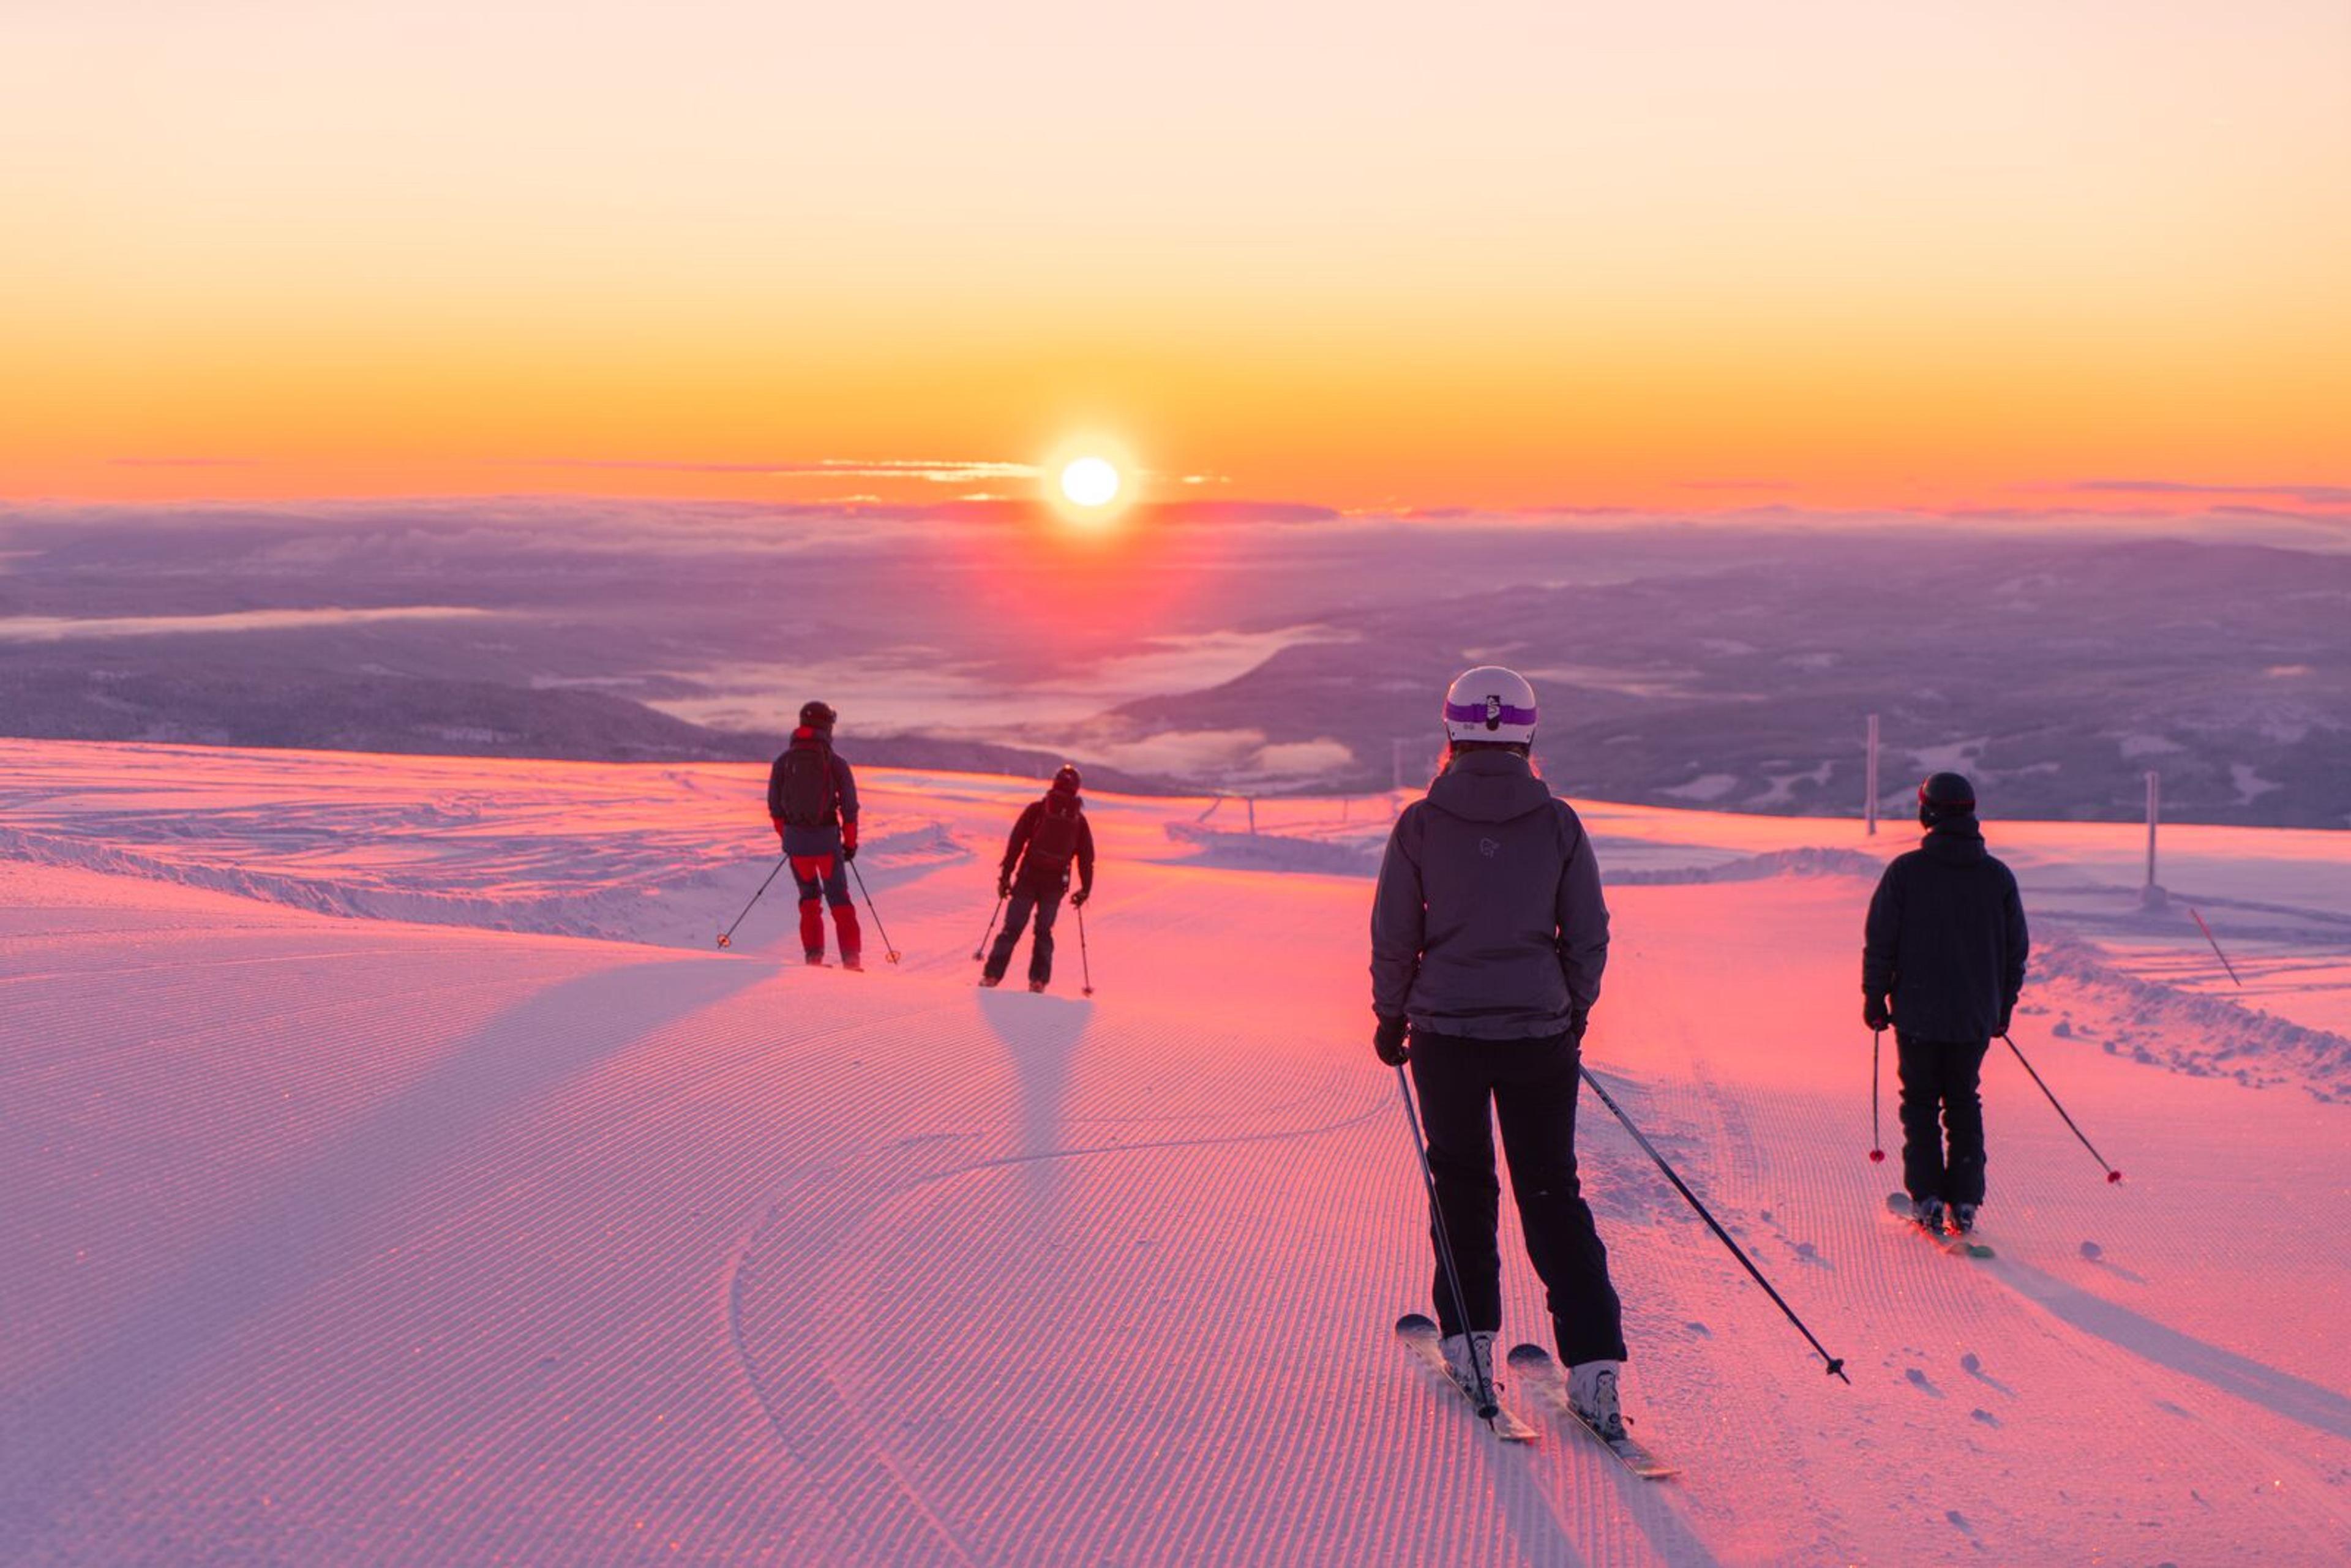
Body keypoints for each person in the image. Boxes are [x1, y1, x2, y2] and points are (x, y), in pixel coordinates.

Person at [1370, 666, 1626, 1437]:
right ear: (1527, 735)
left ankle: (1472, 1344)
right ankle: (1595, 1371)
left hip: (1444, 1033)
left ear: (1450, 733)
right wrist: (1573, 1010)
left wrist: (1391, 1016)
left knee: (1461, 1185)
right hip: (1538, 1034)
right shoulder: (1558, 823)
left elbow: (1393, 934)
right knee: (1551, 1193)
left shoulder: (1421, 822)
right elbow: (1587, 934)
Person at [1862, 771, 2031, 1236]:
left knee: (1920, 1103)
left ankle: (1929, 1197)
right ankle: (1966, 1200)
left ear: (1927, 812)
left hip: (1917, 1013)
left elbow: (1881, 943)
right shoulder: (1997, 877)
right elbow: (2015, 954)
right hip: (1975, 1017)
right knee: (1963, 1101)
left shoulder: (1906, 873)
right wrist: (2002, 1009)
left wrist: (1875, 998)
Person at [982, 765, 1095, 992]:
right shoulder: (1079, 821)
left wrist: (1005, 877)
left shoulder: (1037, 810)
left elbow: (1015, 844)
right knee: (1044, 932)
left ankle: (992, 977)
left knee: (1011, 929)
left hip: (1028, 877)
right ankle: (1038, 981)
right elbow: (1086, 859)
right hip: (1055, 884)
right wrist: (1085, 889)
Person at [767, 700, 862, 969]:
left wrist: (789, 838)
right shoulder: (836, 763)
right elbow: (850, 807)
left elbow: (775, 808)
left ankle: (813, 959)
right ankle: (852, 961)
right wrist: (850, 844)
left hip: (797, 847)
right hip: (827, 843)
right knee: (839, 900)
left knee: (809, 901)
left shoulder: (783, 762)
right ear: (827, 726)